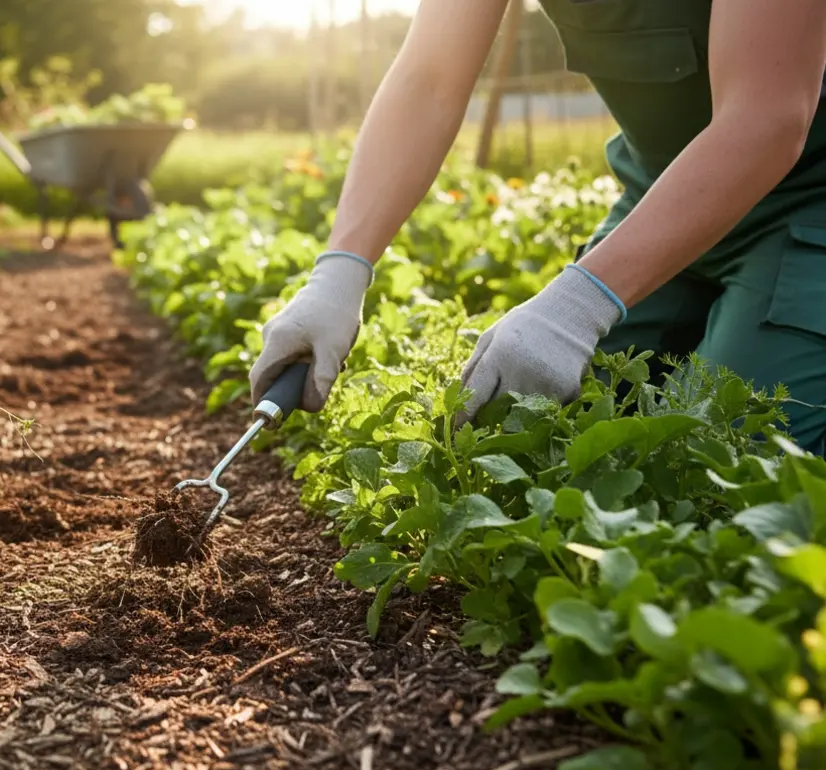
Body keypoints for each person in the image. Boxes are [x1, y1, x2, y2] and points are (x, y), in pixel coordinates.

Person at [248, 0, 826, 454]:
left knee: (737, 462)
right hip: (660, 201)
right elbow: (428, 78)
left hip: (807, 202)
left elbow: (767, 116)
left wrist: (579, 304)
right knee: (527, 433)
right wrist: (341, 271)